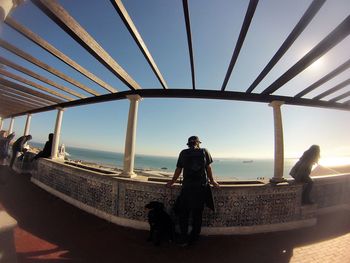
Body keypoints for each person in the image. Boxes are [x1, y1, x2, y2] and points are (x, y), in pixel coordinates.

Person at [166, 136, 219, 246]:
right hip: (201, 188)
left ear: (188, 144)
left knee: (183, 213)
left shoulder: (183, 153)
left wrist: (172, 182)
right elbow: (208, 168)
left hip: (187, 188)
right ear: (198, 143)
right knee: (197, 214)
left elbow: (178, 169)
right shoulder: (204, 151)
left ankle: (183, 237)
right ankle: (194, 237)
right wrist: (213, 181)